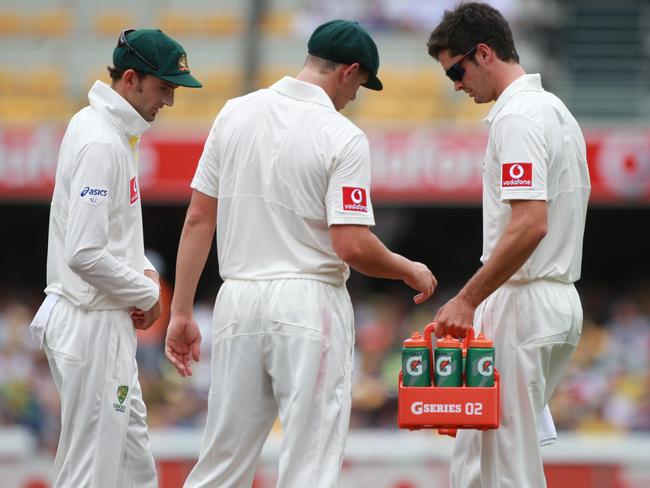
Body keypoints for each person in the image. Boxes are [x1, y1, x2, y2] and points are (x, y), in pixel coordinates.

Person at [165, 19, 437, 488]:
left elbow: (198, 219)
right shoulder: (343, 136)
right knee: (309, 461)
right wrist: (407, 268)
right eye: (360, 86)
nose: (354, 97)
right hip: (308, 301)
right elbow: (350, 245)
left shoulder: (234, 112)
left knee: (222, 461)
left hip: (238, 298)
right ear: (348, 72)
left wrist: (183, 310)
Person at [426, 3, 590, 487]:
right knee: (479, 459)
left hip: (525, 300)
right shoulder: (555, 109)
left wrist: (467, 298)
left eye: (457, 69)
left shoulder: (516, 117)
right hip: (553, 295)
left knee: (506, 465)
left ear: (483, 52)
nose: (455, 83)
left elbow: (530, 224)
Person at [29, 29, 202, 488]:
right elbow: (84, 252)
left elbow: (111, 238)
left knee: (134, 469)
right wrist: (148, 291)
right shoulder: (101, 143)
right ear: (131, 78)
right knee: (91, 473)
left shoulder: (106, 131)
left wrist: (142, 268)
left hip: (101, 322)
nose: (169, 101)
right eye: (164, 87)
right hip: (91, 324)